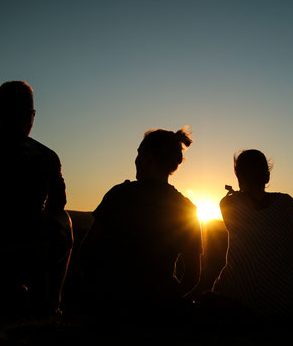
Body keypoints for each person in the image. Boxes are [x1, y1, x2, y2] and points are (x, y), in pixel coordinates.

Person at [0, 80, 73, 318]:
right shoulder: (46, 156)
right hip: (28, 250)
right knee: (64, 220)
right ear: (31, 115)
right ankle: (52, 302)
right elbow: (58, 205)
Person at [79, 127, 202, 321]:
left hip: (109, 303)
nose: (136, 159)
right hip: (157, 308)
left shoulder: (119, 195)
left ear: (148, 158)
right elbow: (193, 273)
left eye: (139, 153)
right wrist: (169, 297)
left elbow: (88, 248)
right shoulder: (187, 209)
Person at [211, 150, 293, 322]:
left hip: (240, 299)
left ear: (238, 176)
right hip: (292, 300)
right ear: (267, 176)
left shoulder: (228, 204)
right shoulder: (286, 202)